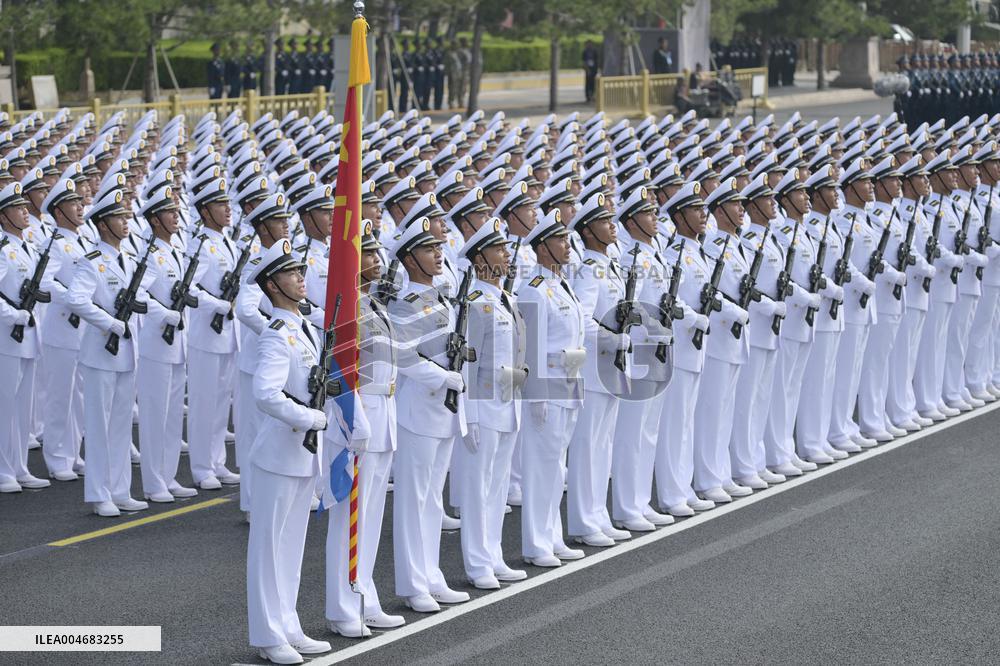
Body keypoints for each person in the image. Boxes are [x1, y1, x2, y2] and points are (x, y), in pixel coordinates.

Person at [245, 239, 332, 665]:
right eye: (291, 273)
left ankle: (289, 623)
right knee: (269, 548)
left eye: (301, 270)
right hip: (278, 455)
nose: (301, 278)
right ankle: (268, 635)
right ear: (272, 285)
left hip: (303, 456)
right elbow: (264, 393)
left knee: (293, 548)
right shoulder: (276, 334)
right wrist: (307, 417)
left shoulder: (306, 327)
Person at [325, 220, 405, 635]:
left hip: (383, 414)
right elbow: (339, 367)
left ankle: (364, 594)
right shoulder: (347, 306)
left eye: (377, 253)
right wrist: (353, 417)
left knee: (371, 516)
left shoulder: (371, 303)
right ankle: (343, 607)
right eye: (369, 254)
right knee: (350, 518)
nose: (378, 260)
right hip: (360, 416)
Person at [388, 217, 470, 612]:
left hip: (443, 410)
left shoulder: (440, 297)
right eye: (428, 249)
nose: (438, 254)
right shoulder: (405, 303)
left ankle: (431, 574)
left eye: (439, 247)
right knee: (414, 499)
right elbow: (404, 358)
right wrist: (444, 377)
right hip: (419, 411)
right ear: (408, 258)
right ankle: (413, 583)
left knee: (432, 499)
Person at [457, 218, 528, 588]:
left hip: (507, 404)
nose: (507, 254)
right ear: (481, 258)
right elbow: (468, 362)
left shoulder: (507, 299)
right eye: (500, 249)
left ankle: (494, 554)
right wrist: (467, 416)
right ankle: (477, 563)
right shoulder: (475, 304)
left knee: (498, 487)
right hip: (483, 408)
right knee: (478, 487)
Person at [67, 189, 147, 516]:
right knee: (99, 426)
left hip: (127, 353)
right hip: (101, 352)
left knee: (120, 425)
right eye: (118, 217)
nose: (125, 222)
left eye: (126, 216)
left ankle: (120, 489)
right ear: (102, 224)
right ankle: (100, 494)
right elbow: (76, 300)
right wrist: (109, 323)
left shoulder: (129, 257)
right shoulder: (92, 262)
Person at [517, 210, 587, 566]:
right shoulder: (533, 290)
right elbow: (529, 348)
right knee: (541, 466)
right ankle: (536, 542)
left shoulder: (562, 284)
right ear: (543, 247)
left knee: (556, 466)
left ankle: (552, 535)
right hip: (547, 388)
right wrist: (536, 395)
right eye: (560, 240)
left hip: (568, 383)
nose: (568, 245)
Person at [134, 186, 198, 502]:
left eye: (175, 210)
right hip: (156, 344)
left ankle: (168, 475)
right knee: (154, 415)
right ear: (156, 220)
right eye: (169, 212)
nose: (176, 216)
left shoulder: (177, 252)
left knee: (173, 416)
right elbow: (137, 294)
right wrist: (164, 314)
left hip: (177, 344)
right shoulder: (150, 255)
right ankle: (152, 481)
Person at [187, 178, 242, 492]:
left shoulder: (228, 243)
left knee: (221, 403)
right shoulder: (200, 244)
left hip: (226, 335)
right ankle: (201, 466)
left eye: (227, 203)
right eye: (220, 205)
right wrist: (217, 305)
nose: (227, 209)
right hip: (207, 335)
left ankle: (217, 461)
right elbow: (189, 290)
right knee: (204, 404)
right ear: (205, 211)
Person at [0, 181, 52, 493]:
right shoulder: (4, 251)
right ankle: (3, 470)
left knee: (22, 408)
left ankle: (19, 466)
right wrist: (12, 315)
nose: (25, 211)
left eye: (24, 206)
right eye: (17, 208)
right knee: (4, 406)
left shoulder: (29, 249)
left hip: (28, 338)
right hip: (7, 338)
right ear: (3, 217)